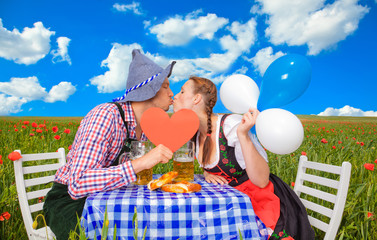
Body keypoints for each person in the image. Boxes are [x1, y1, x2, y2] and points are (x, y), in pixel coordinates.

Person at [43, 49, 176, 240]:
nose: (171, 93)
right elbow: (78, 183)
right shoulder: (106, 115)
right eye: (165, 86)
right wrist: (142, 162)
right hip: (70, 203)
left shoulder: (143, 127)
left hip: (106, 199)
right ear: (149, 90)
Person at [173, 76, 315, 240]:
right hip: (230, 201)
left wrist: (243, 135)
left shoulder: (231, 125)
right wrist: (207, 173)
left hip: (259, 200)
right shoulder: (196, 133)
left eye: (182, 91)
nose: (176, 96)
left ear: (196, 99)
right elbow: (212, 165)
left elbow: (261, 180)